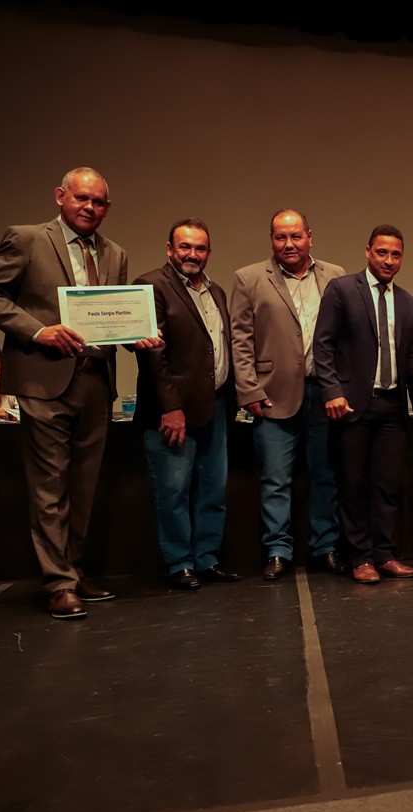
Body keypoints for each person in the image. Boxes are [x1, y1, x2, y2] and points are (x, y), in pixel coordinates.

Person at [0, 166, 163, 619]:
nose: (89, 207)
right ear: (60, 196)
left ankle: (72, 570)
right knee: (50, 487)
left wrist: (135, 335)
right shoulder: (26, 238)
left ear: (107, 207)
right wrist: (38, 332)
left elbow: (109, 318)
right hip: (43, 379)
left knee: (83, 486)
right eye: (81, 198)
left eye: (98, 202)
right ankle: (58, 583)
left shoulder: (115, 253)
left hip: (95, 381)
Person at [230, 210, 346, 581]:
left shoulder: (336, 276)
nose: (289, 244)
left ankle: (325, 546)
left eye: (295, 236)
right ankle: (278, 550)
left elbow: (347, 336)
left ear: (310, 236)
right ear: (271, 239)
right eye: (280, 237)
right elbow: (241, 339)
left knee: (326, 476)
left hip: (324, 394)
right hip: (271, 395)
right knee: (275, 478)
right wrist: (248, 389)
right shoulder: (248, 278)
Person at [134, 219, 239, 590]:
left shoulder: (217, 292)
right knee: (174, 492)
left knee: (213, 489)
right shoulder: (151, 286)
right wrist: (171, 407)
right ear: (169, 248)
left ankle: (207, 559)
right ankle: (180, 563)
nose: (192, 254)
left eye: (199, 248)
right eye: (185, 247)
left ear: (209, 252)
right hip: (173, 412)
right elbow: (153, 356)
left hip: (217, 408)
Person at [315, 225, 413, 584]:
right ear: (368, 251)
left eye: (396, 254)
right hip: (352, 406)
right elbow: (323, 344)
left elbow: (407, 357)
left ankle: (385, 554)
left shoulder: (408, 302)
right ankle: (360, 558)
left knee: (388, 485)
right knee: (354, 484)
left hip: (393, 406)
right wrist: (331, 391)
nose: (389, 260)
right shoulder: (343, 289)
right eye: (382, 252)